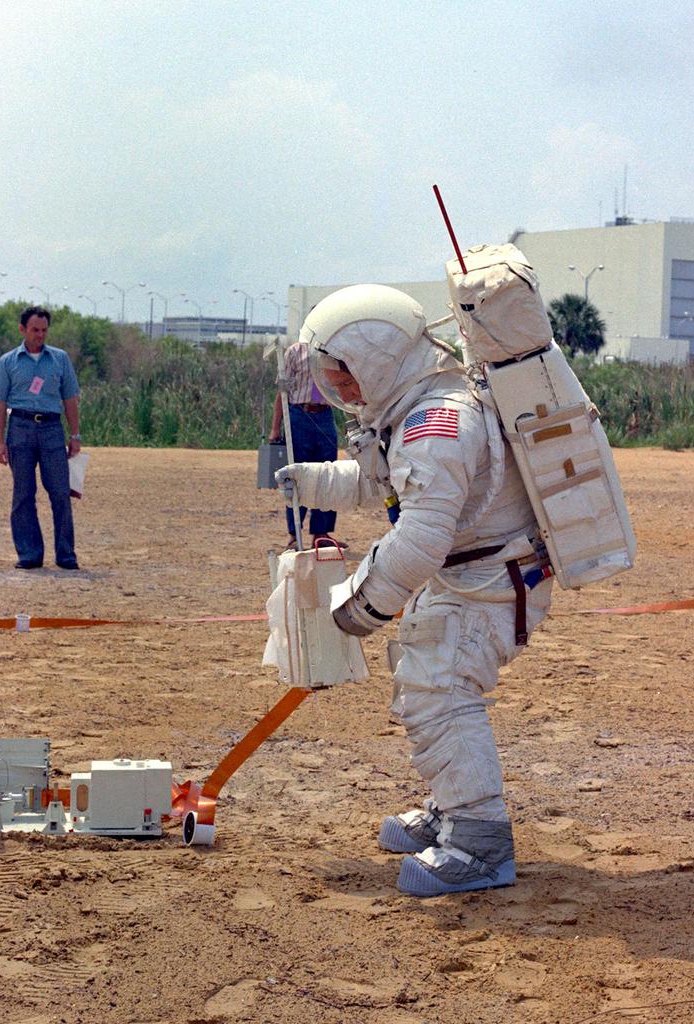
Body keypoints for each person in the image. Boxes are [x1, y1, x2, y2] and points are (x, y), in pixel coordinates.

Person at [276, 285, 553, 897]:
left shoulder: (437, 422)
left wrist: (356, 606)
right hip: (475, 573)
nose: (340, 391)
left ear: (375, 357)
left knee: (441, 689)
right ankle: (453, 807)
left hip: (490, 579)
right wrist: (313, 482)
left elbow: (422, 537)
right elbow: (386, 482)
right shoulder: (416, 409)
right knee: (425, 675)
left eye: (343, 375)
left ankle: (481, 843)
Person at [0, 306, 81, 570]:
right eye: (35, 330)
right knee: (23, 493)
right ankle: (29, 554)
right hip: (20, 428)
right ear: (22, 330)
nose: (40, 335)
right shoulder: (8, 361)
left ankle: (66, 555)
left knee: (60, 493)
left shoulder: (60, 359)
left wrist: (75, 435)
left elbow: (71, 398)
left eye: (44, 330)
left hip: (52, 430)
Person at [269, 339, 339, 548]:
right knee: (297, 476)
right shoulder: (295, 352)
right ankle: (294, 534)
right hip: (299, 415)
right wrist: (275, 428)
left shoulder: (336, 350)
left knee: (327, 475)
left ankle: (321, 533)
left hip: (324, 415)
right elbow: (282, 393)